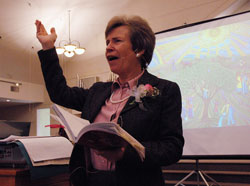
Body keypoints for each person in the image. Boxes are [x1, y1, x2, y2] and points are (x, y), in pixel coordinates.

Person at [35, 15, 184, 186]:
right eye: (107, 43)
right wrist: (48, 48)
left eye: (116, 41)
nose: (108, 48)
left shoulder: (165, 90)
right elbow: (60, 93)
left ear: (139, 49)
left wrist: (126, 153)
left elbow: (172, 148)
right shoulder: (98, 91)